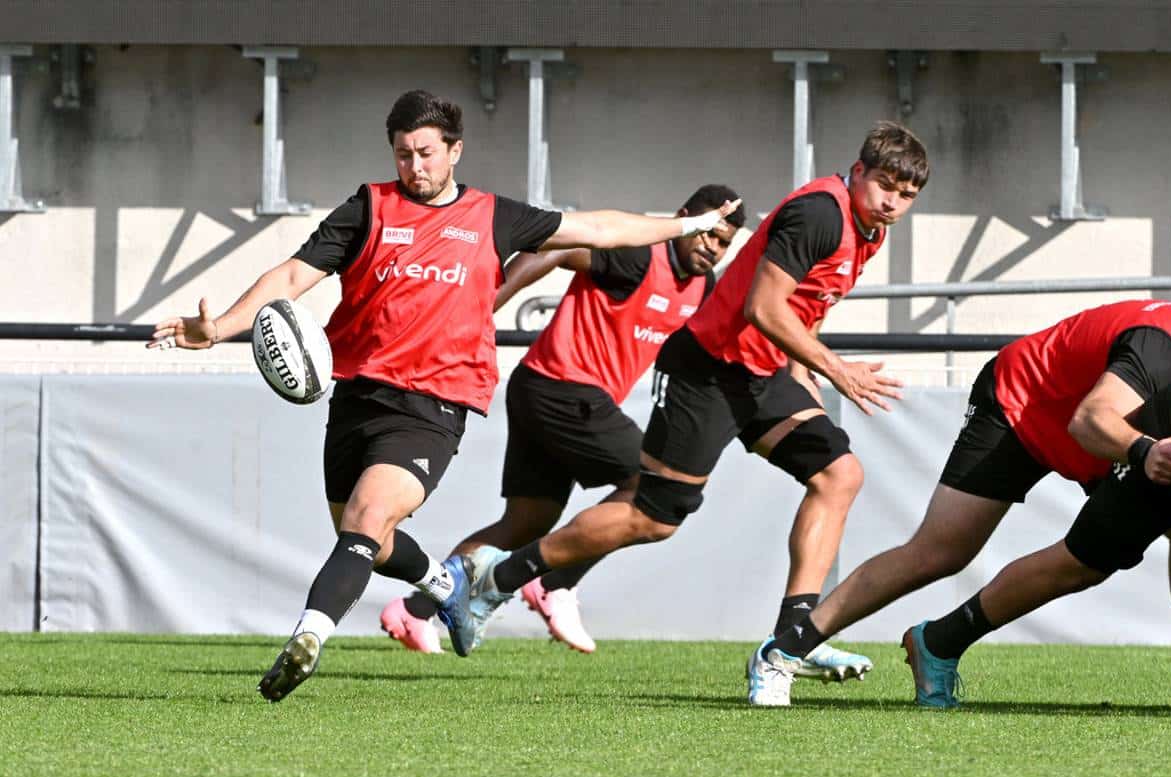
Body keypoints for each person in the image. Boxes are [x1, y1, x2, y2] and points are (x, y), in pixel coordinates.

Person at [146, 90, 741, 702]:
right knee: (367, 540)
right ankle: (445, 586)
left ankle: (307, 639)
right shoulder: (368, 208)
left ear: (455, 151)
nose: (415, 167)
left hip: (433, 404)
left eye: (426, 153)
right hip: (356, 395)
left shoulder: (492, 216)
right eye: (403, 155)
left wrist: (688, 225)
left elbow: (600, 228)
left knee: (367, 519)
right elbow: (294, 275)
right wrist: (221, 327)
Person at [439, 122, 929, 685]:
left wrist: (803, 378)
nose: (892, 202)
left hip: (760, 375)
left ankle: (792, 641)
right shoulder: (820, 213)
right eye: (884, 185)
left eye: (906, 195)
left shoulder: (869, 232)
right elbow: (764, 308)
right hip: (708, 371)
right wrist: (836, 370)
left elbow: (805, 308)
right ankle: (499, 579)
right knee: (652, 518)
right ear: (859, 171)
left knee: (839, 475)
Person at [746, 299, 1171, 706]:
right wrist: (1143, 450)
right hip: (1020, 403)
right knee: (939, 551)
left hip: (1102, 432)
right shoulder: (1166, 348)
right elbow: (1089, 420)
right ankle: (783, 650)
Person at [379, 185, 745, 655]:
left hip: (543, 389)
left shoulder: (703, 287)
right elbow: (557, 247)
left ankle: (415, 610)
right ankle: (555, 583)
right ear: (683, 217)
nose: (712, 247)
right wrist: (482, 308)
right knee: (653, 487)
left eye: (723, 243)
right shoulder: (638, 255)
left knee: (526, 522)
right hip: (564, 388)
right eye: (708, 233)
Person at [905, 362, 1171, 709]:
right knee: (1079, 564)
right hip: (1169, 446)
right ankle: (941, 640)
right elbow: (1088, 419)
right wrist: (1143, 449)